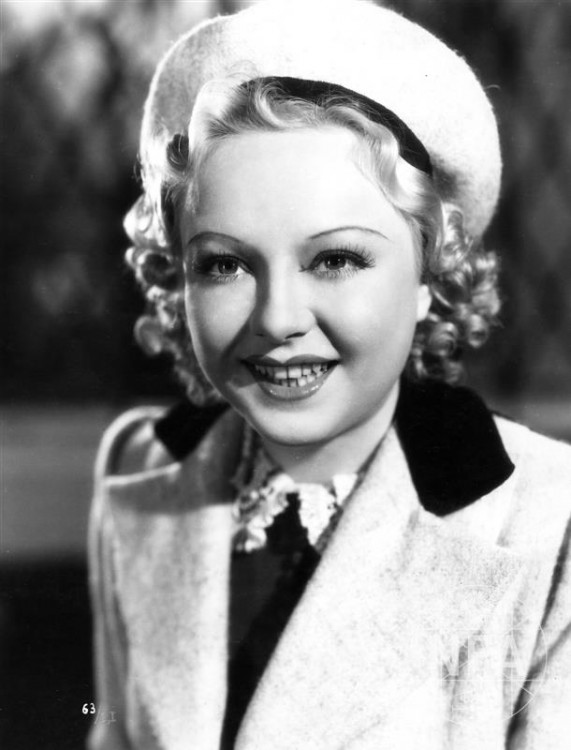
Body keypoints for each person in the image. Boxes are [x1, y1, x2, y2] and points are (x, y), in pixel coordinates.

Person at [87, 1, 571, 748]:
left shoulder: (550, 524)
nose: (278, 318)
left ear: (430, 275)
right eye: (224, 264)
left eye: (336, 259)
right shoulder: (140, 465)